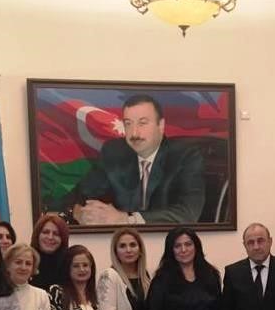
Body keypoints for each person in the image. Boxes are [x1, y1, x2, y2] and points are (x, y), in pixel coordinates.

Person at [68, 94, 206, 225]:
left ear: (161, 125)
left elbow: (187, 214)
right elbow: (78, 196)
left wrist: (125, 219)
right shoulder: (115, 152)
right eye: (128, 124)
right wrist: (80, 213)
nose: (134, 133)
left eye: (142, 123)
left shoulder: (186, 156)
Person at [30, 213, 69, 289]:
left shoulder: (69, 264)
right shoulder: (27, 262)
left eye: (56, 234)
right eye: (45, 232)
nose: (50, 237)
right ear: (37, 235)